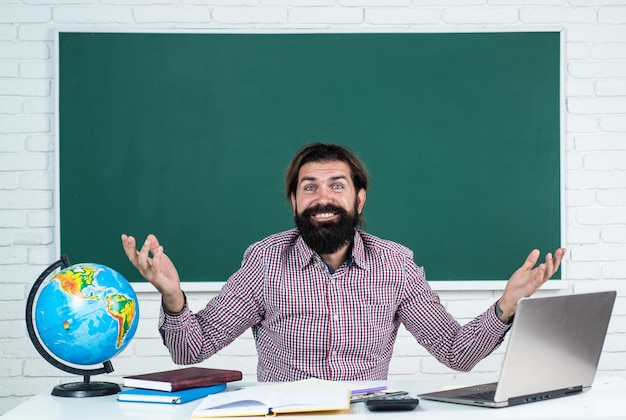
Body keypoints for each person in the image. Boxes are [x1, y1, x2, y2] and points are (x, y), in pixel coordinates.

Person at [121, 142, 565, 382]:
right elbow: (190, 350)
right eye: (310, 188)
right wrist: (173, 296)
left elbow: (456, 352)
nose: (323, 198)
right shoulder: (264, 262)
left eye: (337, 185)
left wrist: (507, 304)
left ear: (359, 197)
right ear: (294, 201)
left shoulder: (395, 264)